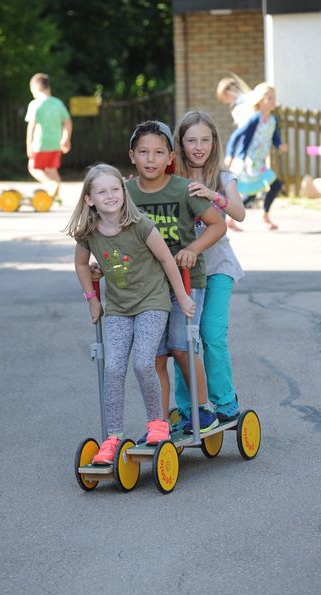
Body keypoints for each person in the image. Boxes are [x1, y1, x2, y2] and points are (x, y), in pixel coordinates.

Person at [64, 163, 195, 464]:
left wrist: (183, 296)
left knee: (143, 362)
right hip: (119, 308)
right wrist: (91, 299)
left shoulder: (140, 225)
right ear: (89, 199)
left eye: (115, 189)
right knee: (112, 369)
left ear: (123, 192)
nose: (110, 195)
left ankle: (157, 423)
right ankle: (112, 437)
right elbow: (82, 265)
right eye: (102, 191)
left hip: (152, 301)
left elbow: (166, 260)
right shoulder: (88, 232)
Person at [125, 120, 227, 436]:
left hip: (184, 280)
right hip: (147, 286)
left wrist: (193, 248)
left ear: (171, 157)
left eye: (158, 152)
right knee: (155, 357)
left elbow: (217, 225)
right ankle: (158, 423)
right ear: (132, 156)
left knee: (182, 347)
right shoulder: (125, 193)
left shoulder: (183, 189)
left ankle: (201, 409)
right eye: (143, 152)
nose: (151, 159)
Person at [173, 109, 245, 423]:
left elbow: (239, 214)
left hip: (217, 268)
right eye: (191, 140)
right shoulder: (173, 178)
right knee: (181, 338)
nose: (198, 146)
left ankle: (225, 401)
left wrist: (213, 196)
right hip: (183, 271)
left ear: (214, 143)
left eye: (205, 139)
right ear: (181, 143)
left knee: (211, 334)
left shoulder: (224, 178)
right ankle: (190, 407)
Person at [225, 82, 288, 230]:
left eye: (274, 98)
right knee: (253, 192)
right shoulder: (255, 118)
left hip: (259, 162)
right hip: (248, 161)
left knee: (273, 186)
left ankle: (262, 215)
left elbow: (275, 137)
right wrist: (230, 154)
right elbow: (236, 136)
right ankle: (232, 217)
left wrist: (280, 145)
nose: (273, 101)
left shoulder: (273, 120)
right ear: (260, 101)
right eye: (269, 98)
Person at [25, 73, 73, 200]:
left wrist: (29, 145)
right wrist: (66, 138)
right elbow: (68, 122)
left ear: (35, 89)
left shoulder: (35, 104)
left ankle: (50, 185)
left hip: (40, 144)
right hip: (55, 143)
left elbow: (31, 126)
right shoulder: (58, 103)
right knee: (52, 170)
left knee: (33, 168)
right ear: (48, 87)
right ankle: (56, 198)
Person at [217, 73, 253, 231]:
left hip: (244, 149)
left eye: (225, 97)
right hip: (247, 148)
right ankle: (232, 216)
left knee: (237, 182)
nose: (226, 101)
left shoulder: (241, 104)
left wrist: (231, 152)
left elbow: (241, 132)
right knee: (238, 182)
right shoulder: (246, 101)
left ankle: (232, 215)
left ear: (229, 91)